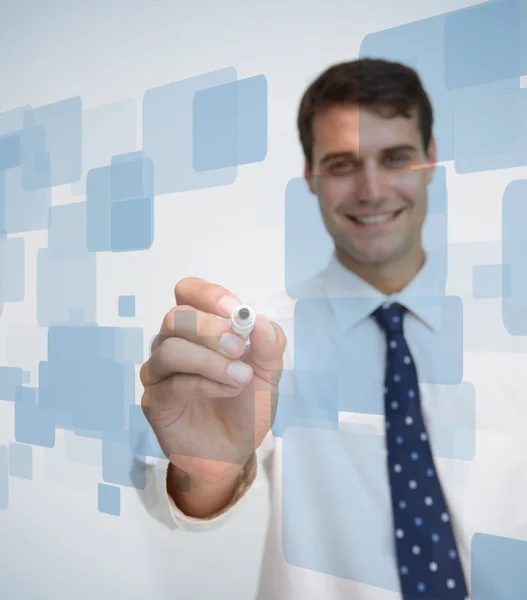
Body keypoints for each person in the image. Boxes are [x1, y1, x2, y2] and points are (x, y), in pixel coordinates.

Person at [140, 58, 526, 599]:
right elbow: (179, 495)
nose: (371, 189)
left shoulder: (517, 334)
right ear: (311, 175)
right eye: (342, 164)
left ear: (430, 159)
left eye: (395, 158)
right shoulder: (257, 345)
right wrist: (206, 473)